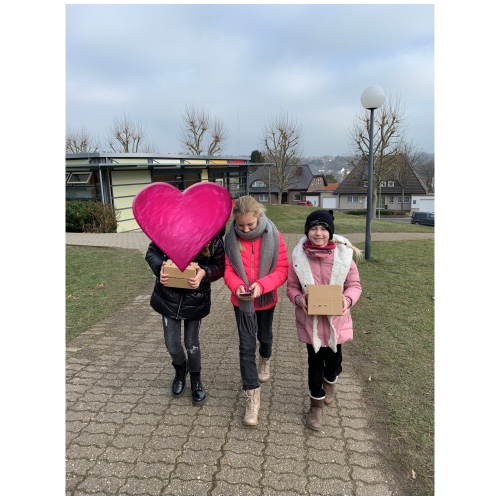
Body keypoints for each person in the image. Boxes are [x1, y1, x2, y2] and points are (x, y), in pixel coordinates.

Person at [286, 209, 362, 431]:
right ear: (307, 231)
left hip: (336, 322)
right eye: (313, 228)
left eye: (323, 229)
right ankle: (316, 407)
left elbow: (354, 285)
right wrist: (299, 299)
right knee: (315, 365)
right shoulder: (298, 259)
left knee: (334, 363)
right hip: (311, 324)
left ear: (330, 232)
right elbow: (291, 287)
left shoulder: (344, 258)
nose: (318, 233)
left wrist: (347, 300)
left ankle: (330, 381)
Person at [224, 196, 289, 426]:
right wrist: (237, 286)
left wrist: (262, 286)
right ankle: (252, 396)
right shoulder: (230, 238)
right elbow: (228, 270)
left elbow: (282, 269)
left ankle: (266, 358)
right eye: (240, 225)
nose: (245, 229)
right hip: (242, 303)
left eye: (250, 225)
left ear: (259, 216)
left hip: (265, 300)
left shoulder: (274, 235)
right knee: (246, 346)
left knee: (265, 337)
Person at [145, 229, 225, 405]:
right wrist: (160, 268)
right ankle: (181, 369)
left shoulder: (214, 239)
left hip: (195, 300)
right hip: (168, 298)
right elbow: (152, 252)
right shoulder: (169, 230)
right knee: (172, 343)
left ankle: (196, 378)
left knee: (191, 343)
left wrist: (204, 272)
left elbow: (220, 266)